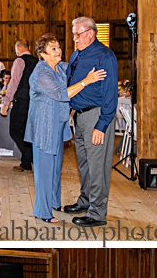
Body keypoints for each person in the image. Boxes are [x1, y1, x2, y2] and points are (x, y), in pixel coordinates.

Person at [27, 32, 106, 224]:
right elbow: (62, 94)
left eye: (59, 47)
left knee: (55, 168)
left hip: (59, 125)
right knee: (44, 170)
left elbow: (76, 66)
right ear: (43, 53)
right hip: (44, 127)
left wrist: (86, 46)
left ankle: (54, 203)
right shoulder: (41, 72)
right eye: (53, 48)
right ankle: (42, 211)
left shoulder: (59, 68)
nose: (59, 51)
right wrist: (87, 80)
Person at [64, 17, 120, 227]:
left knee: (98, 166)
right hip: (79, 116)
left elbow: (110, 94)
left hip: (96, 116)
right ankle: (85, 201)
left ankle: (97, 213)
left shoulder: (105, 56)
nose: (74, 38)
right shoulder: (77, 53)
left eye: (77, 34)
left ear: (90, 33)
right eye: (73, 34)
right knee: (84, 164)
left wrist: (102, 124)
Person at [3, 40, 36, 171]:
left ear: (18, 48)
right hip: (33, 101)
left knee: (15, 130)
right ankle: (25, 163)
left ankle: (32, 157)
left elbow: (14, 82)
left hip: (21, 100)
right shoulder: (37, 61)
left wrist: (6, 102)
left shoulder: (19, 61)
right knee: (26, 132)